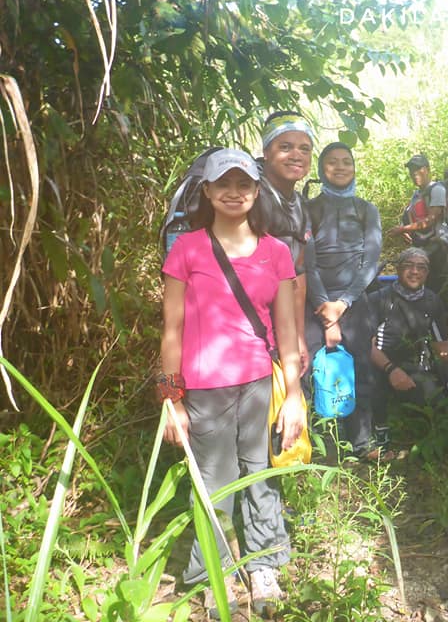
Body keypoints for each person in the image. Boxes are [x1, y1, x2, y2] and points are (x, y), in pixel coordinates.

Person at [159, 148, 304, 618]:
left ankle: (264, 565)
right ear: (207, 190)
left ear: (257, 191)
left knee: (261, 476)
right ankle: (211, 573)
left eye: (244, 184)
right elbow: (172, 330)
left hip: (261, 383)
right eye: (225, 183)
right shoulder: (187, 249)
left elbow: (287, 330)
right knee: (215, 481)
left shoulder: (276, 252)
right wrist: (171, 401)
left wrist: (295, 396)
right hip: (204, 389)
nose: (234, 192)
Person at [304, 142, 383, 458]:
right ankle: (317, 447)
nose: (340, 167)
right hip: (315, 303)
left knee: (361, 369)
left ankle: (362, 443)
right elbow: (306, 263)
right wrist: (324, 307)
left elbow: (372, 261)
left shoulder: (367, 209)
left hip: (355, 303)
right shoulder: (309, 209)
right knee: (310, 372)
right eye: (332, 162)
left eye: (346, 161)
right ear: (321, 169)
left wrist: (344, 303)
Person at [367, 247, 448, 455]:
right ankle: (379, 438)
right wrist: (391, 370)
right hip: (381, 364)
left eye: (421, 267)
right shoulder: (379, 299)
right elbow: (367, 346)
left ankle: (441, 440)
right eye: (409, 265)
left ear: (427, 273)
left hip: (416, 366)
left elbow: (440, 344)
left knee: (443, 398)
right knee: (370, 384)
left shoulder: (432, 301)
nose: (415, 271)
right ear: (397, 269)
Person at [257, 111, 315, 375]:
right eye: (285, 147)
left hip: (283, 328)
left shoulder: (300, 205)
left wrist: (298, 336)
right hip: (252, 332)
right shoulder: (250, 196)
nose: (296, 155)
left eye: (305, 149)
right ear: (266, 151)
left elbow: (298, 275)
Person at [388, 154, 448, 300]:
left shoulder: (437, 189)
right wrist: (405, 229)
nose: (414, 174)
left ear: (426, 170)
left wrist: (403, 229)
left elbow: (430, 220)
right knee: (428, 288)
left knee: (443, 289)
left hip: (441, 248)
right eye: (411, 171)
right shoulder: (417, 194)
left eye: (418, 169)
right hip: (425, 248)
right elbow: (411, 217)